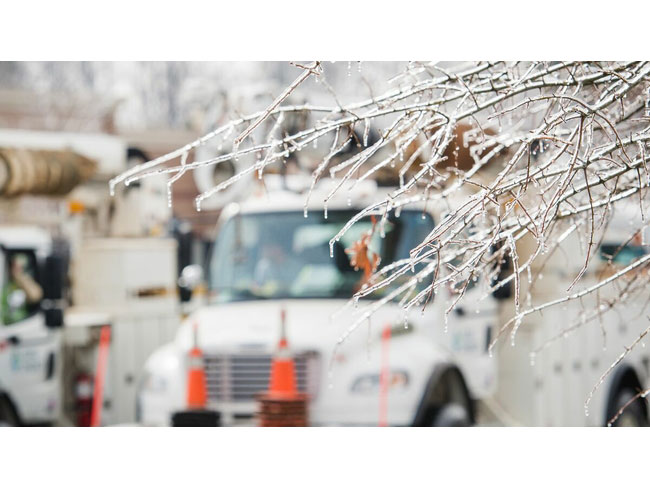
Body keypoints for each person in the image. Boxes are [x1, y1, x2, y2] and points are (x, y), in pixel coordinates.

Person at [2, 254, 43, 325]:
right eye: (14, 266)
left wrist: (20, 277)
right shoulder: (5, 283)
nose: (18, 269)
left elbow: (35, 296)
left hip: (19, 324)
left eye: (20, 267)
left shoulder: (23, 283)